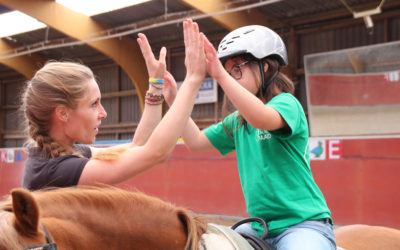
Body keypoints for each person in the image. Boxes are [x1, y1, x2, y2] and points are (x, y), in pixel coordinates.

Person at [164, 25, 336, 249]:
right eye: (227, 72)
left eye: (237, 69)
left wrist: (219, 74)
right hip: (259, 226)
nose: (230, 78)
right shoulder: (238, 121)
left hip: (302, 224)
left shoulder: (286, 104)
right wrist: (175, 101)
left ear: (264, 66)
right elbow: (195, 142)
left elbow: (261, 118)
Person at [21, 19, 206, 191]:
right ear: (63, 113)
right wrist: (192, 80)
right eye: (94, 104)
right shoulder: (58, 170)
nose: (103, 113)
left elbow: (139, 145)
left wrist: (156, 85)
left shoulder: (68, 154)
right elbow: (155, 153)